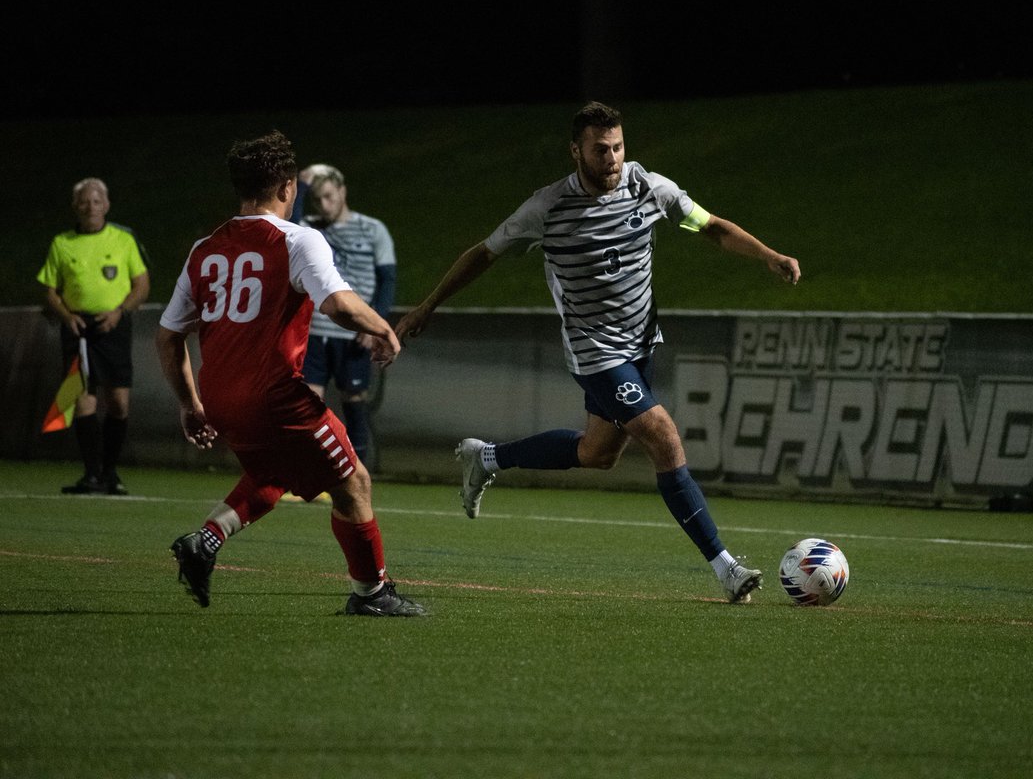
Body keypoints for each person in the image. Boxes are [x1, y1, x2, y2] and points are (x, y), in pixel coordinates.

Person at [395, 101, 802, 603]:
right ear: (576, 152)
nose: (611, 159)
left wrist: (769, 255)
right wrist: (429, 305)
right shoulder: (546, 209)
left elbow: (710, 225)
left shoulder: (649, 187)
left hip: (640, 344)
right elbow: (483, 254)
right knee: (664, 437)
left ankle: (488, 458)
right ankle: (726, 568)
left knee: (598, 454)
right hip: (595, 352)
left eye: (617, 147)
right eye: (599, 150)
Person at [157, 130, 424, 617]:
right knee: (354, 483)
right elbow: (339, 304)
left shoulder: (204, 248)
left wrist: (190, 403)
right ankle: (372, 593)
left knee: (270, 473)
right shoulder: (298, 239)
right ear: (286, 187)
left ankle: (205, 541)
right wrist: (384, 328)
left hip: (220, 397)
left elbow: (168, 335)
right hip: (275, 396)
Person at [37, 178, 150, 495]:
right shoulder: (62, 242)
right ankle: (91, 475)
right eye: (84, 201)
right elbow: (49, 291)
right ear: (75, 206)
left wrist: (120, 312)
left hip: (114, 325)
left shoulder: (123, 240)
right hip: (77, 329)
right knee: (83, 400)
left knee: (118, 403)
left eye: (97, 201)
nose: (91, 206)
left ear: (107, 205)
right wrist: (66, 316)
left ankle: (111, 473)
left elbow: (141, 285)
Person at [298, 164, 397, 469]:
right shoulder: (310, 228)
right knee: (307, 405)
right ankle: (310, 475)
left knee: (354, 401)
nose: (324, 205)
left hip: (352, 333)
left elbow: (387, 280)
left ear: (342, 191)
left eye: (328, 197)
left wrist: (374, 325)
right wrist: (302, 184)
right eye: (318, 200)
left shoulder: (372, 229)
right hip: (314, 331)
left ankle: (357, 473)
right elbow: (287, 222)